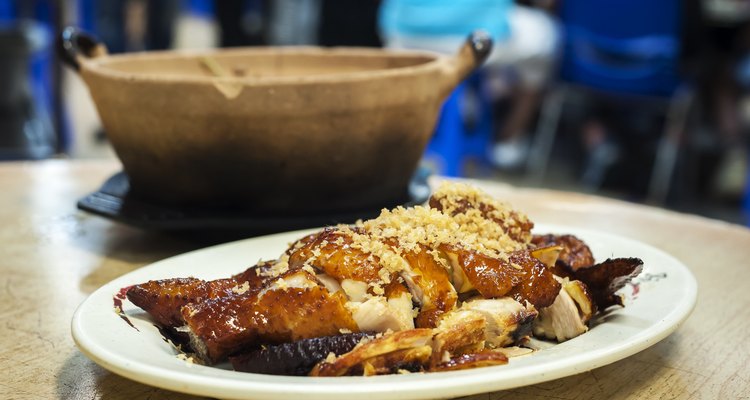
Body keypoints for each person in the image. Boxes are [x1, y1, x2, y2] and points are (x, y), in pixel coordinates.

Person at [378, 0, 560, 170]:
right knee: (547, 33)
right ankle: (507, 140)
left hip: (400, 31)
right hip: (475, 35)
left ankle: (468, 115)